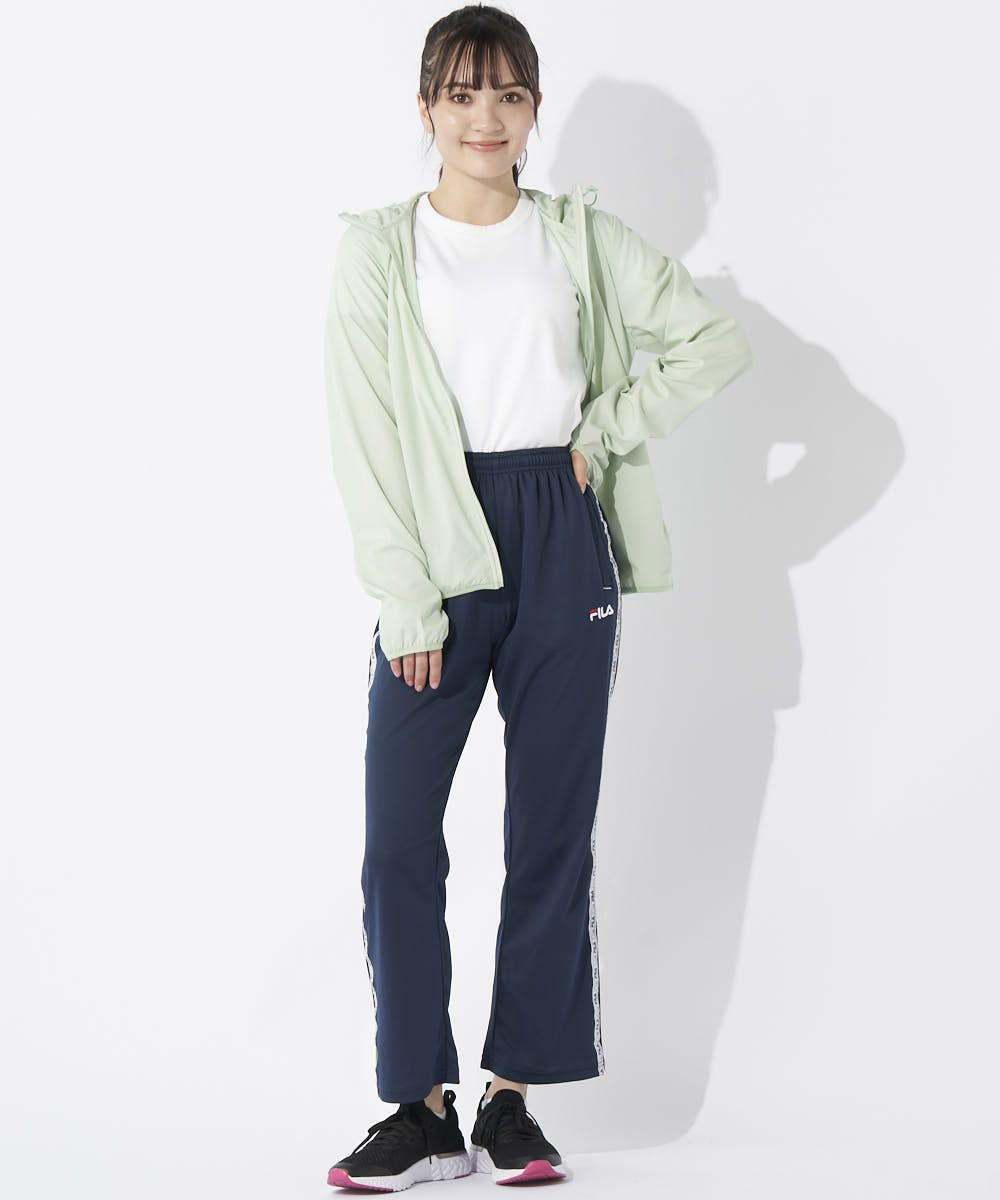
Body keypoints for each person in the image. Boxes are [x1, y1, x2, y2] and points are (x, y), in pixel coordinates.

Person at [322, 5, 753, 1190]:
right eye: (461, 94)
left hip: (562, 536)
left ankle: (510, 1096)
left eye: (507, 94)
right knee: (397, 838)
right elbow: (364, 437)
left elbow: (709, 343)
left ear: (532, 110)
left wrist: (603, 429)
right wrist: (407, 599)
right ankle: (419, 1108)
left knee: (549, 832)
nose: (484, 117)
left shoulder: (579, 238)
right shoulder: (379, 250)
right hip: (436, 539)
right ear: (425, 108)